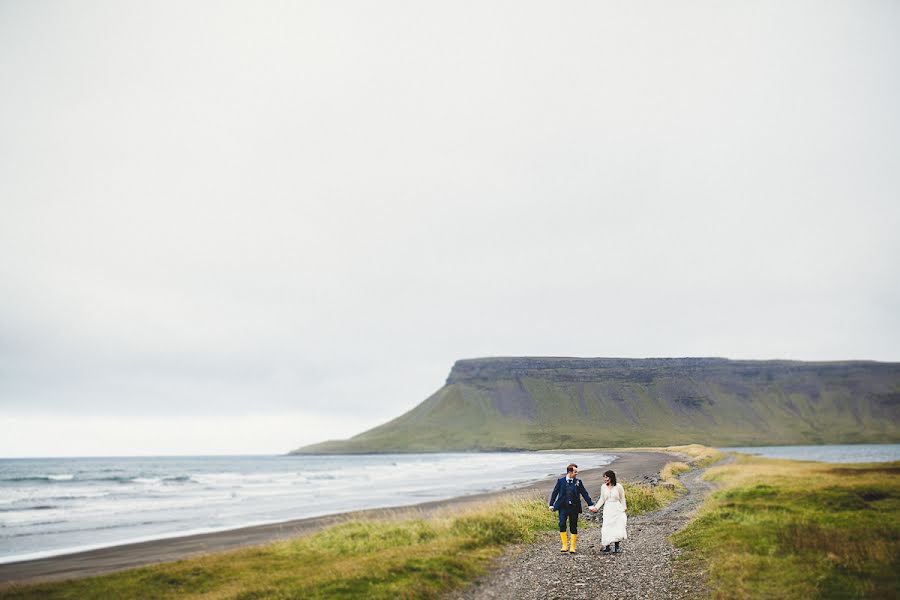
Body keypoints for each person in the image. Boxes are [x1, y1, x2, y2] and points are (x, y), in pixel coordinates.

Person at [548, 463, 595, 554]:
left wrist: (590, 504)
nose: (576, 474)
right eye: (575, 472)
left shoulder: (578, 482)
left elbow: (584, 493)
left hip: (574, 507)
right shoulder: (560, 481)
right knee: (562, 524)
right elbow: (555, 493)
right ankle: (564, 545)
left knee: (573, 526)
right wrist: (551, 504)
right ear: (569, 472)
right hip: (562, 507)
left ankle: (572, 547)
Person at [593, 469, 627, 553]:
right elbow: (602, 498)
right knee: (606, 526)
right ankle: (607, 546)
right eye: (604, 477)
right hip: (608, 508)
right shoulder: (603, 487)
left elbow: (622, 498)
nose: (605, 479)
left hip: (617, 508)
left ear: (611, 477)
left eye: (606, 477)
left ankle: (616, 547)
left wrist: (624, 508)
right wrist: (596, 507)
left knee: (617, 526)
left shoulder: (618, 486)